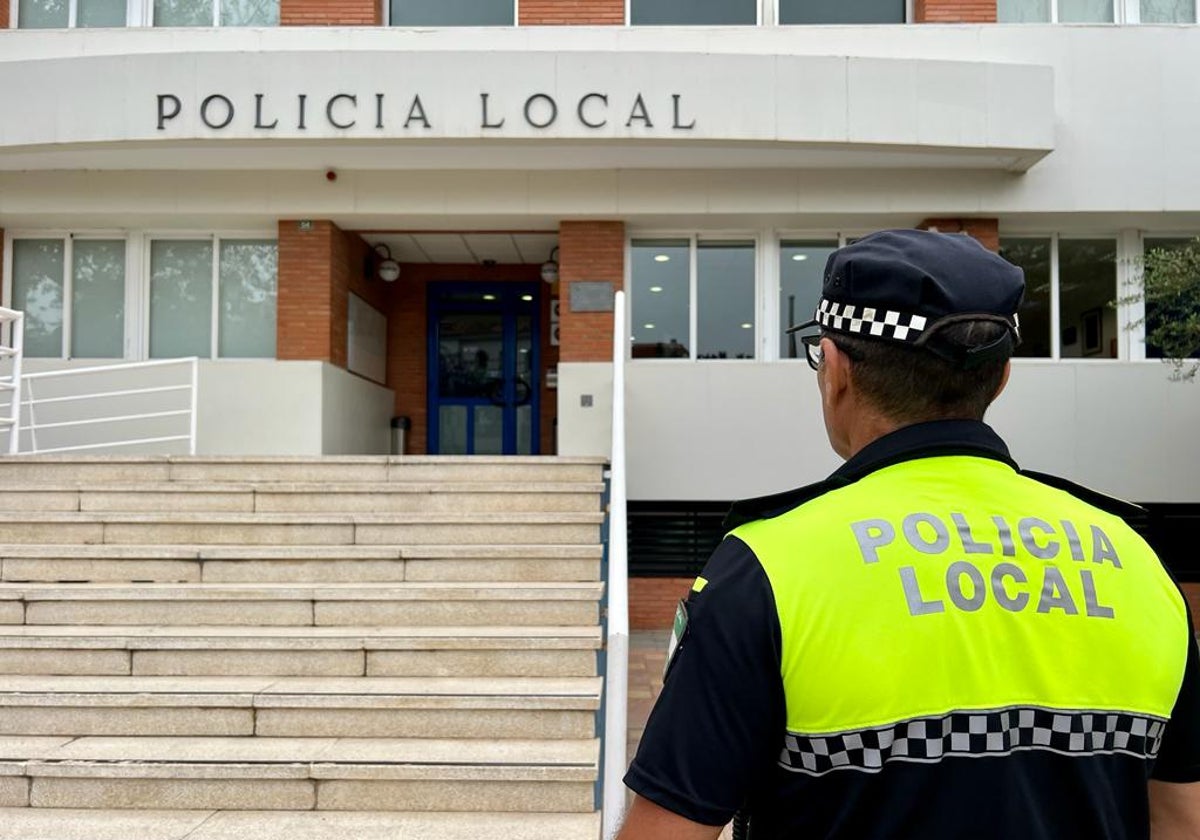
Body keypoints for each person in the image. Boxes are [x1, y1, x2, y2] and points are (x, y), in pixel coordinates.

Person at [618, 229, 1200, 840]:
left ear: (836, 370)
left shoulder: (769, 567)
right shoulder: (1137, 564)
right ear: (1001, 377)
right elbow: (1181, 821)